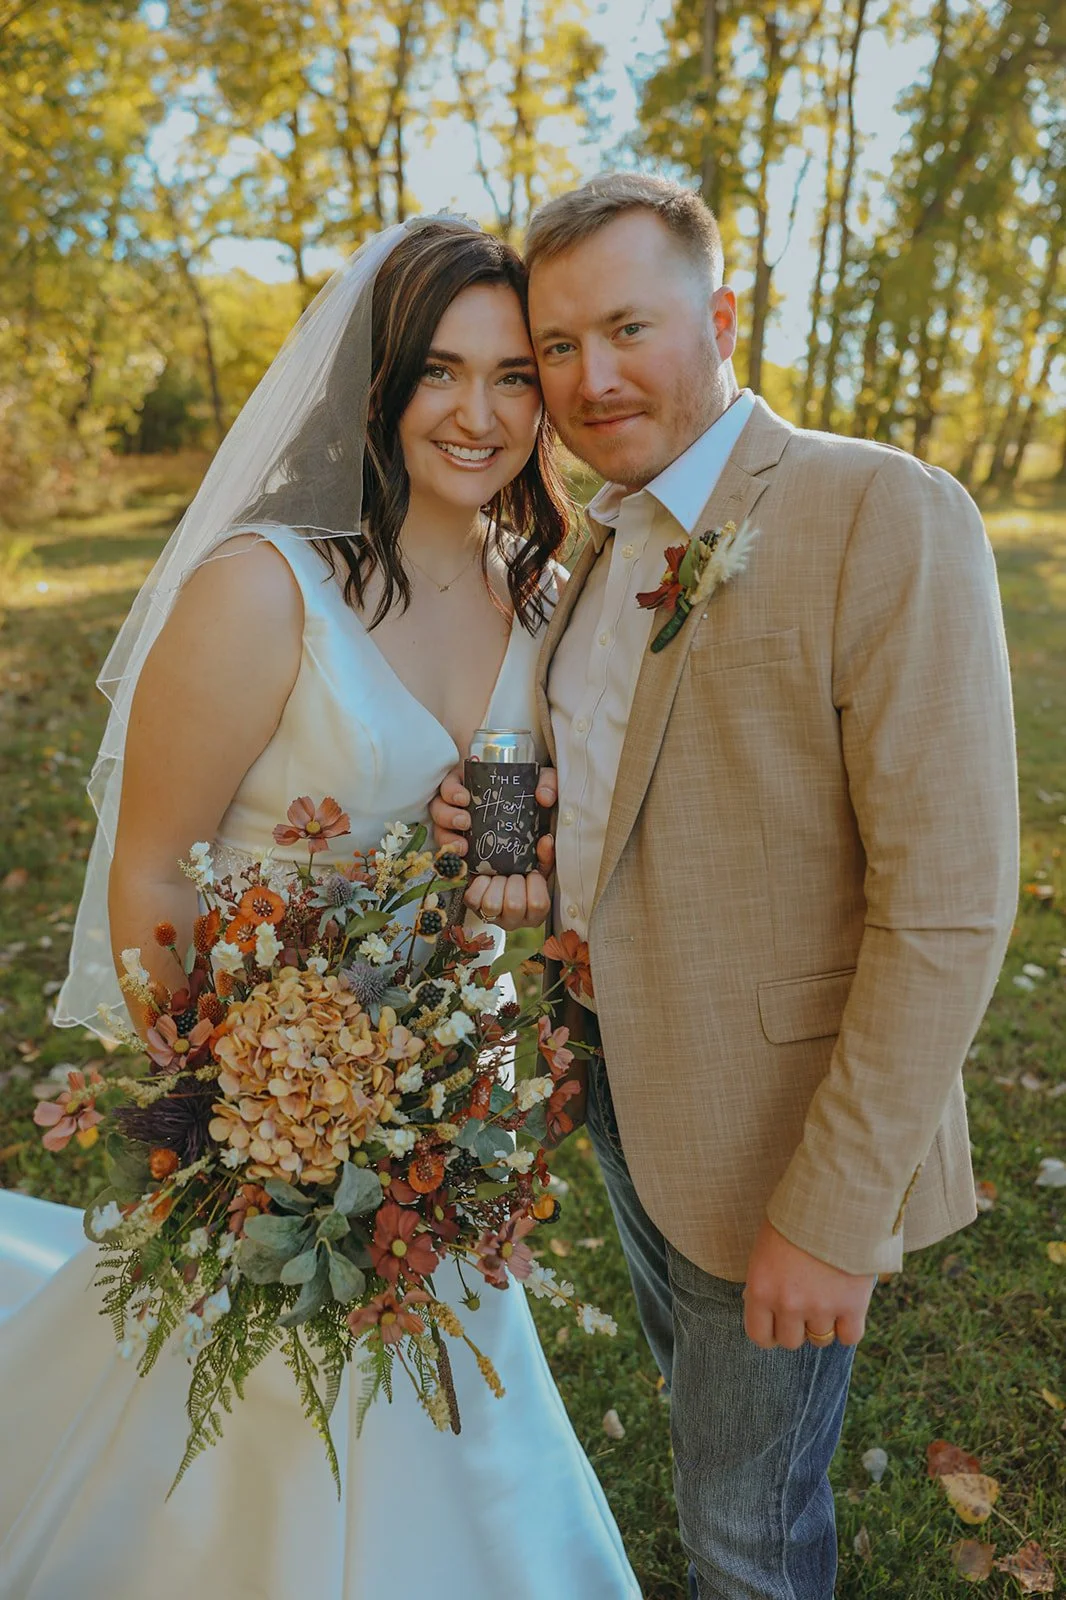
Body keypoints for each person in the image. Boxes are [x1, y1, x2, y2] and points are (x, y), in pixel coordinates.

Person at [0, 218, 639, 1600]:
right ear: (376, 387)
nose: (478, 415)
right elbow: (155, 868)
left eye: (515, 376)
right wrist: (235, 1111)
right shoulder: (260, 589)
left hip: (453, 1087)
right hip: (264, 1086)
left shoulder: (542, 592)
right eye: (439, 373)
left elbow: (506, 868)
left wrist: (507, 866)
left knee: (450, 1407)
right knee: (251, 1422)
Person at [431, 172, 1019, 1600]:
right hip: (630, 1099)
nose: (590, 377)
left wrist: (828, 1211)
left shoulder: (875, 507)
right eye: (556, 348)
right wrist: (505, 832)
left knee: (743, 1542)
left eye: (627, 327)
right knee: (714, 1454)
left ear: (721, 316)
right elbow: (639, 792)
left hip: (782, 1140)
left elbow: (946, 900)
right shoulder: (590, 544)